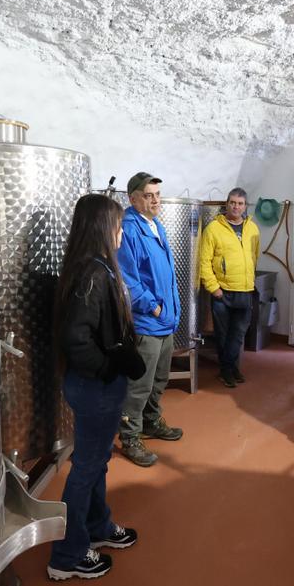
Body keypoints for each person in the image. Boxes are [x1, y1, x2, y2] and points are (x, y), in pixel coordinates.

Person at [47, 194, 147, 581]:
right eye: (118, 226)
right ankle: (68, 555)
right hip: (94, 387)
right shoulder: (93, 272)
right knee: (86, 468)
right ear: (104, 229)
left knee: (97, 461)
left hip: (97, 386)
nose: (121, 233)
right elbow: (77, 337)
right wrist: (106, 369)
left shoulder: (95, 267)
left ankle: (98, 526)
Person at [115, 172, 185, 467]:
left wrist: (170, 310)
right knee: (139, 385)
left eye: (157, 194)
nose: (156, 200)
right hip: (147, 322)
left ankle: (151, 422)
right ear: (133, 199)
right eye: (148, 195)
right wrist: (154, 308)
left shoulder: (155, 225)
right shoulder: (129, 229)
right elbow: (127, 280)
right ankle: (130, 436)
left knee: (159, 379)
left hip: (165, 320)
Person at [199, 187, 260, 388]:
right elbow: (204, 262)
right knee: (223, 335)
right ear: (227, 204)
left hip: (245, 290)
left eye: (240, 203)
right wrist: (213, 288)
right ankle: (228, 370)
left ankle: (228, 367)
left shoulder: (253, 228)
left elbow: (254, 256)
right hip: (222, 292)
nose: (236, 206)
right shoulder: (213, 229)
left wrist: (249, 280)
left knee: (238, 333)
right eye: (233, 202)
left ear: (245, 206)